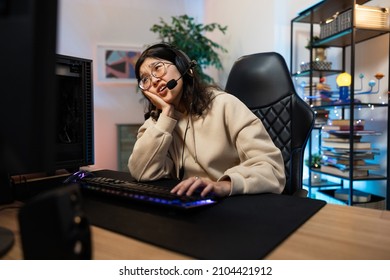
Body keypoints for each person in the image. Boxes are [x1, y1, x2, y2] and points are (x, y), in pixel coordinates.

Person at [128, 43, 285, 198]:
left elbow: (272, 169)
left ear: (182, 67)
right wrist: (166, 116)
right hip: (188, 205)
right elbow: (141, 172)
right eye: (145, 79)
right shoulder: (158, 123)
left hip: (232, 202)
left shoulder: (224, 105)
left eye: (158, 68)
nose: (154, 80)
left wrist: (224, 185)